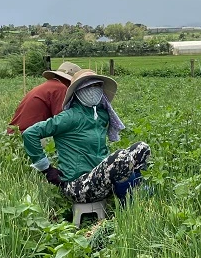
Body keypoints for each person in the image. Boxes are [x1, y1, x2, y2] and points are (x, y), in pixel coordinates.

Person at [22, 70, 150, 205]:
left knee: (142, 148)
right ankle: (130, 204)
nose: (93, 90)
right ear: (77, 91)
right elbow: (30, 133)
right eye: (88, 87)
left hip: (99, 179)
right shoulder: (69, 117)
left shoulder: (100, 115)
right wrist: (46, 169)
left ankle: (133, 189)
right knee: (120, 158)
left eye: (97, 86)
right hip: (78, 186)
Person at [8, 62, 82, 133]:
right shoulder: (60, 88)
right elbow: (62, 120)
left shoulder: (50, 86)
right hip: (27, 134)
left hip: (17, 132)